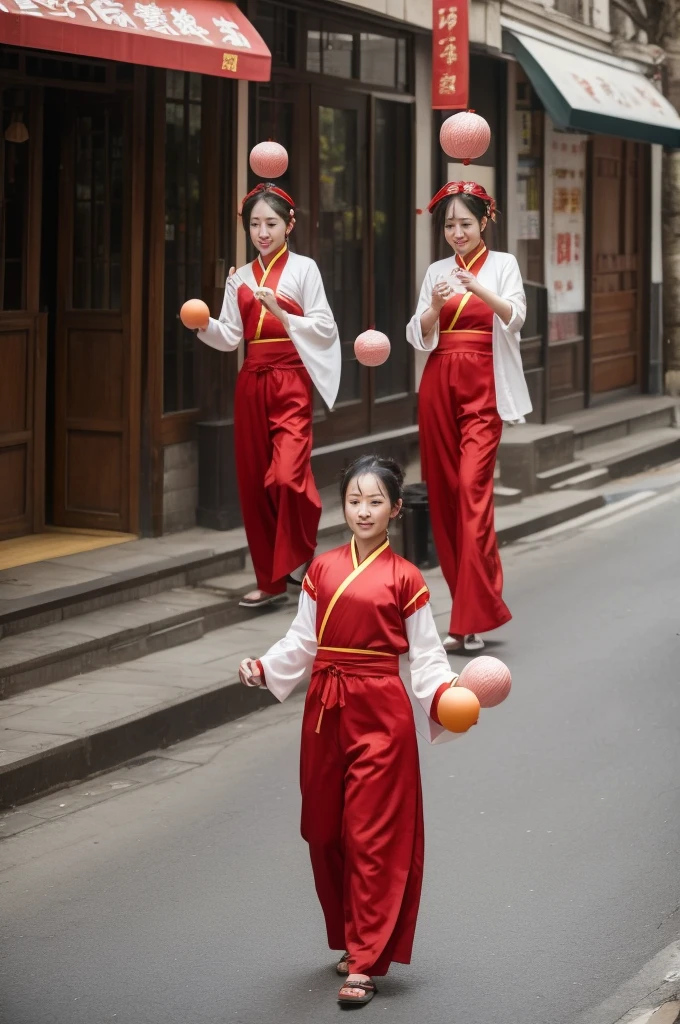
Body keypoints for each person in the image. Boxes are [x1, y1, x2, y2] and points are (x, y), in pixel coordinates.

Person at [238, 455, 458, 1007]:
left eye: (375, 501)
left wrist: (447, 695)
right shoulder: (321, 568)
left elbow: (427, 658)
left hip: (381, 713)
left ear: (396, 510)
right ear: (344, 506)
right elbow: (301, 640)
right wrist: (265, 666)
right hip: (324, 709)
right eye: (355, 501)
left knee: (372, 835)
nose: (364, 510)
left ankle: (364, 960)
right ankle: (349, 934)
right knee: (324, 829)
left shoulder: (406, 578)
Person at [196, 183, 341, 608]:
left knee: (286, 475)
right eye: (255, 224)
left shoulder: (304, 270)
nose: (262, 232)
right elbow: (230, 336)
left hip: (292, 380)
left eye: (271, 223)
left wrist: (280, 311)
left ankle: (299, 556)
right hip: (252, 381)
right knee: (253, 484)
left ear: (289, 225)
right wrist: (202, 324)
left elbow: (324, 327)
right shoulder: (239, 277)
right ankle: (270, 581)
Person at [407, 182, 532, 653]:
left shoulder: (503, 266)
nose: (457, 232)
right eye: (449, 225)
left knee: (471, 492)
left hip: (484, 387)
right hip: (439, 384)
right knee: (443, 494)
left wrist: (479, 287)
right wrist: (435, 307)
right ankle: (464, 615)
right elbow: (418, 333)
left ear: (484, 222)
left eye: (465, 223)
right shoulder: (437, 270)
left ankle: (473, 614)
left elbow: (516, 317)